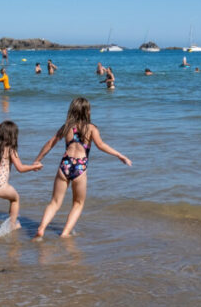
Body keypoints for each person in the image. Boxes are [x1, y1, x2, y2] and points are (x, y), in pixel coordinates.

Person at [32, 97, 131, 238]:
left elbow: (50, 143)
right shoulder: (91, 128)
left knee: (54, 202)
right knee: (78, 203)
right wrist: (120, 155)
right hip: (80, 166)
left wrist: (37, 160)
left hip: (65, 164)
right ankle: (65, 233)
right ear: (87, 111)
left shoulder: (67, 127)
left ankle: (41, 228)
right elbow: (101, 145)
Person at [0, 121, 43, 244]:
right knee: (15, 198)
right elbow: (20, 168)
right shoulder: (11, 150)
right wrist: (34, 167)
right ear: (13, 136)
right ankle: (12, 224)